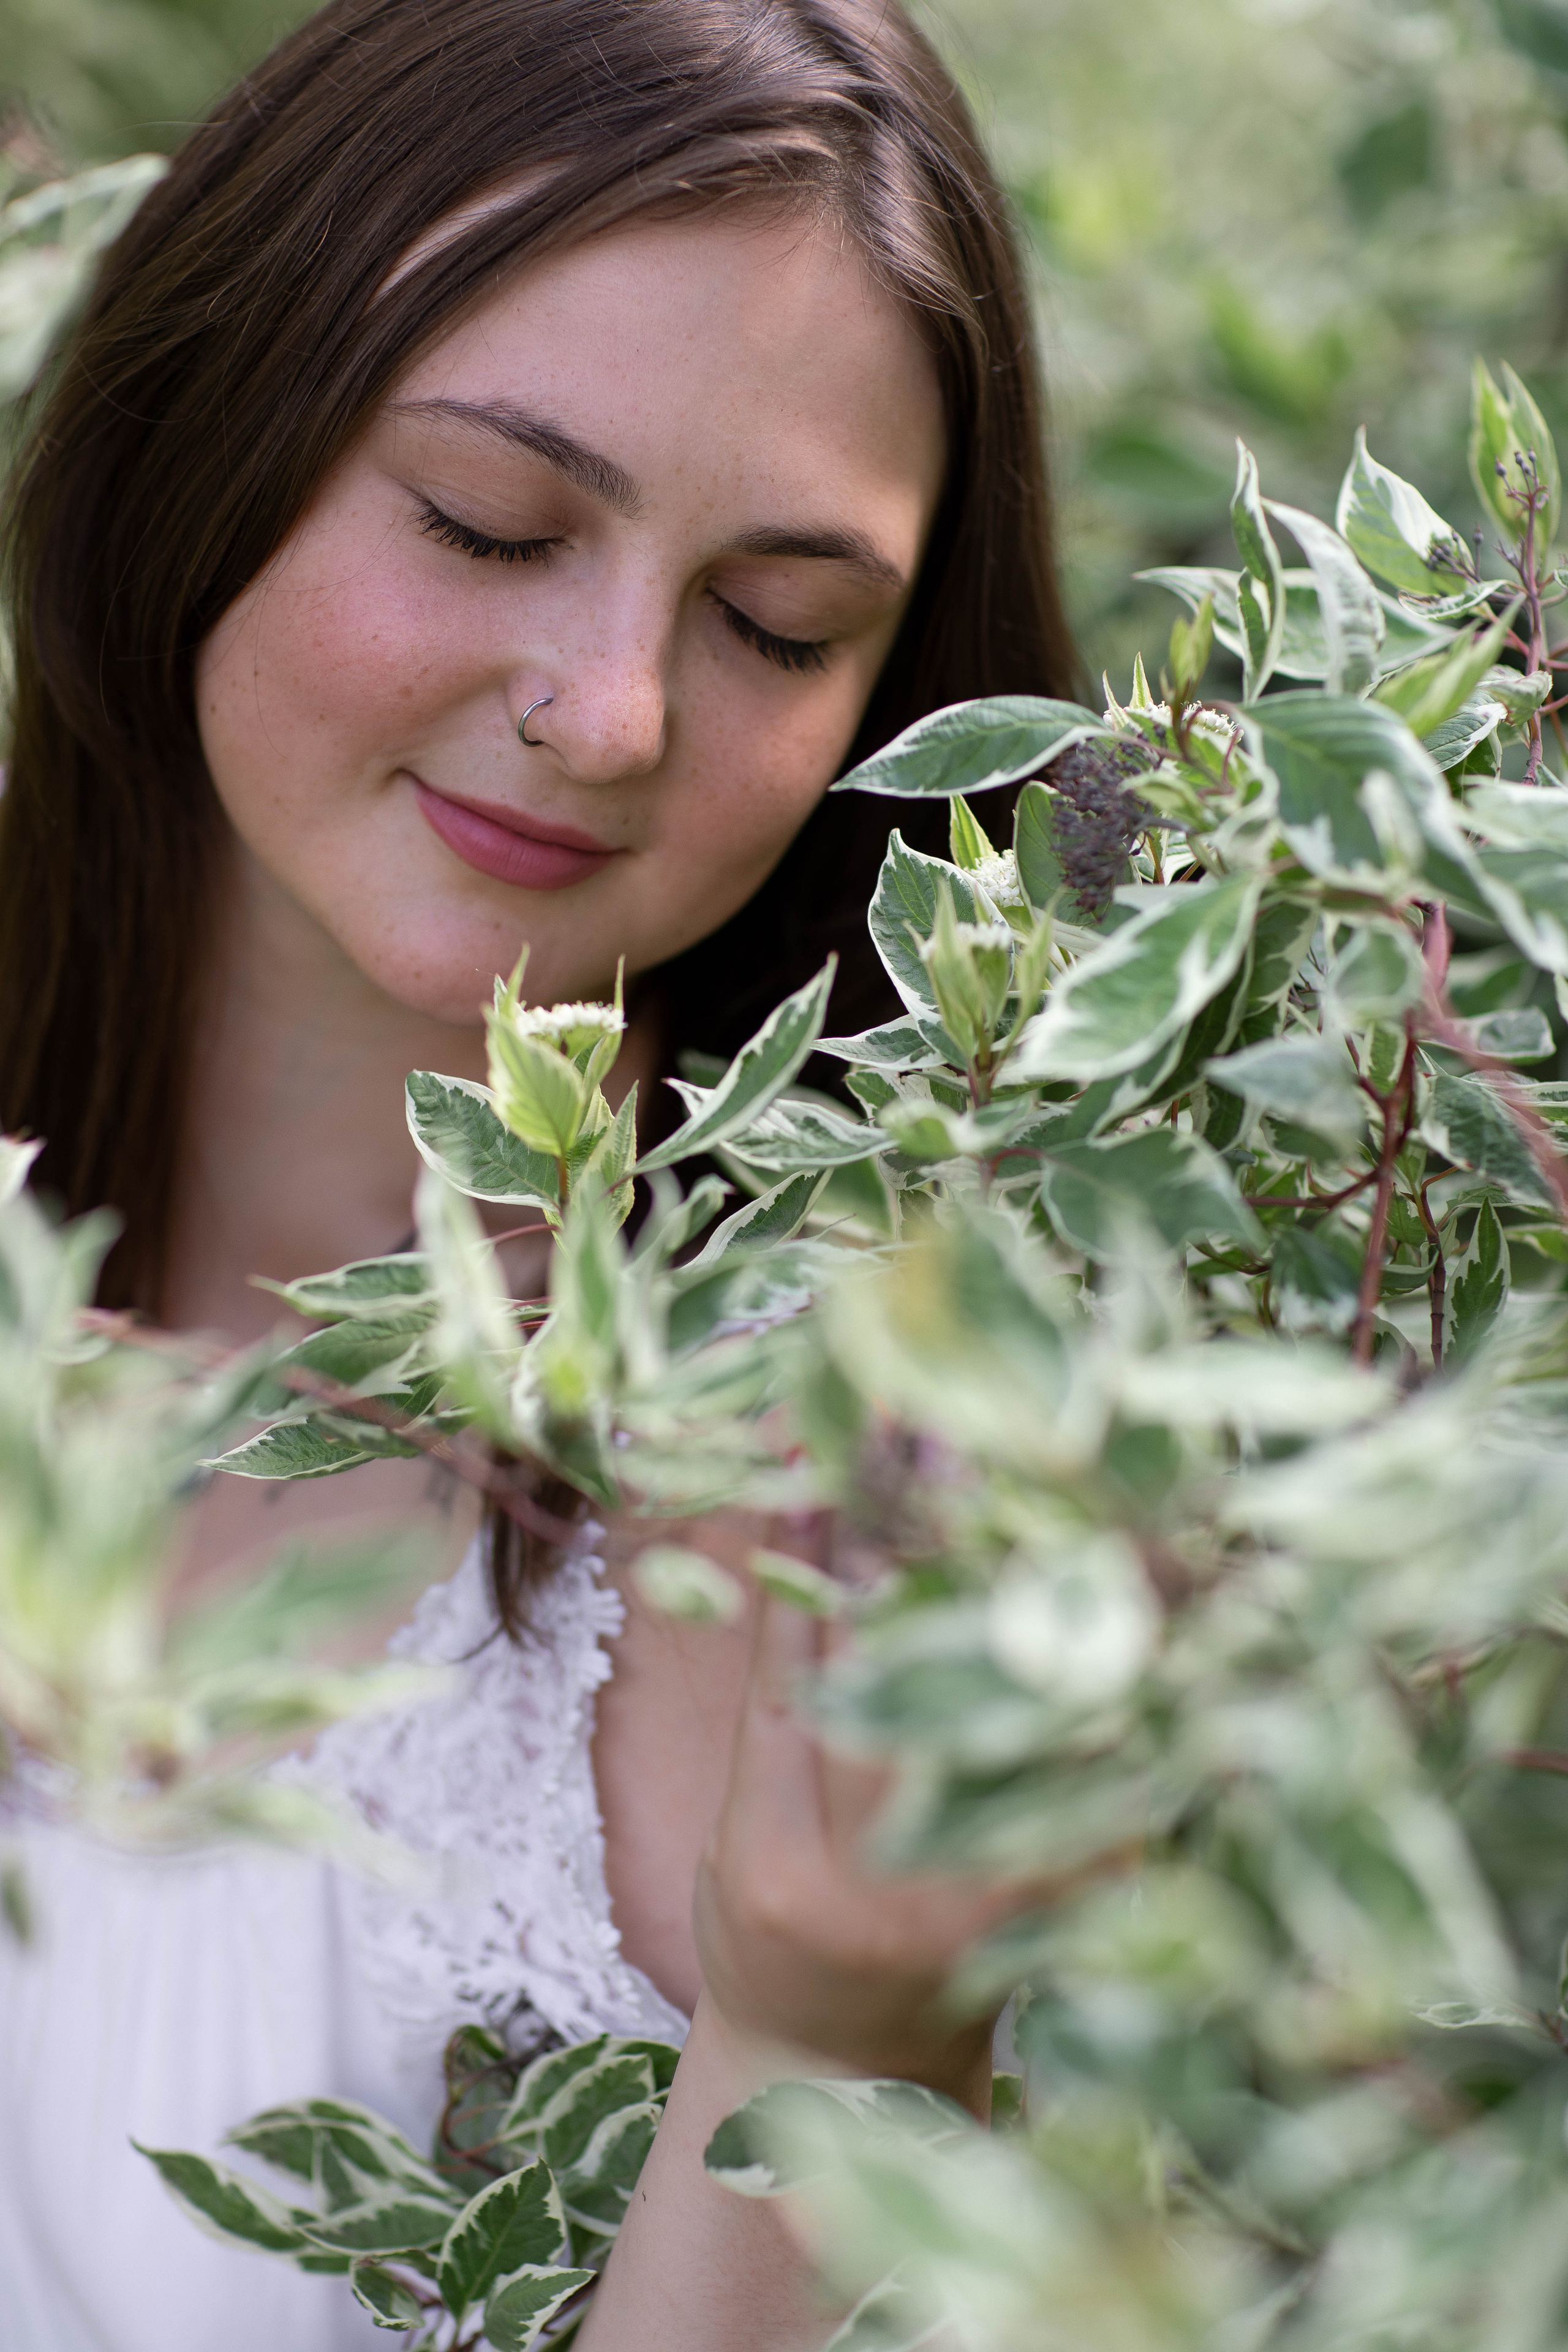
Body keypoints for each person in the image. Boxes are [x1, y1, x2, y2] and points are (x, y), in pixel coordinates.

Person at [0, 2, 1077, 2344]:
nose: (611, 711)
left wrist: (823, 2044)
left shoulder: (815, 1515)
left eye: (776, 625)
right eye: (489, 520)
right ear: (207, 423)